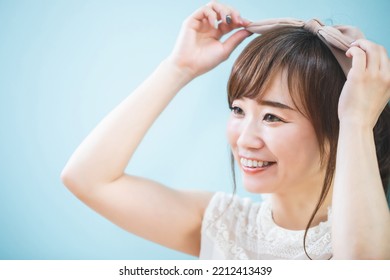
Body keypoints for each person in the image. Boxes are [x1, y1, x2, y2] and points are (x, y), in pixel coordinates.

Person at [61, 1, 390, 259]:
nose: (245, 139)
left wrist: (357, 122)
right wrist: (179, 68)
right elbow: (87, 179)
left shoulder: (371, 238)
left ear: (339, 125)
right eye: (238, 110)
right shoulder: (222, 224)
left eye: (273, 117)